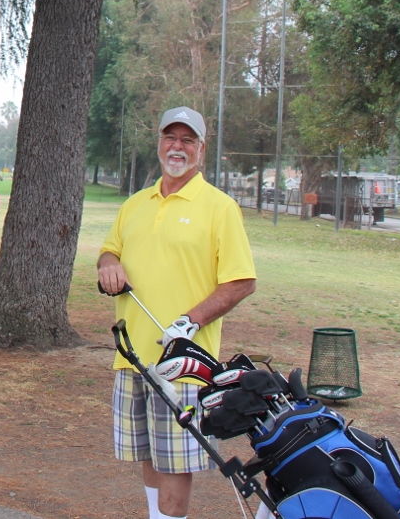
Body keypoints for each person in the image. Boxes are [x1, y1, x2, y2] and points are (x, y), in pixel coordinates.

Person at [97, 106, 257, 519]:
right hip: (133, 357)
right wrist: (108, 264)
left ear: (201, 150)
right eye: (171, 137)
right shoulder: (135, 204)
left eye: (188, 140)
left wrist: (190, 321)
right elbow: (109, 250)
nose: (177, 147)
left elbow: (241, 280)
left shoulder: (219, 207)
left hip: (185, 363)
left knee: (176, 461)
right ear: (159, 143)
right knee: (150, 452)